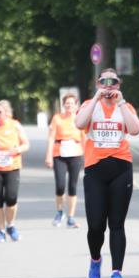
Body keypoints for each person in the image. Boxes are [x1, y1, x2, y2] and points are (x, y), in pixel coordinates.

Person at [75, 68, 139, 278]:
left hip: (121, 168)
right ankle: (96, 259)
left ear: (119, 85)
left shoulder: (126, 107)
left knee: (117, 224)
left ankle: (117, 273)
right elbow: (79, 123)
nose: (109, 86)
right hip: (95, 170)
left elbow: (135, 130)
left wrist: (121, 103)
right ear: (98, 83)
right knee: (95, 225)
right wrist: (96, 96)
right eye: (105, 82)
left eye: (113, 82)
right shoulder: (89, 105)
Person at [0, 100, 29, 242]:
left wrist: (17, 150)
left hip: (12, 166)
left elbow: (26, 144)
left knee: (11, 198)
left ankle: (11, 225)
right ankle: (1, 231)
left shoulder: (15, 125)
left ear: (7, 113)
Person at [45, 93, 85, 228]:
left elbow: (84, 138)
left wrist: (87, 156)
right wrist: (48, 156)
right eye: (67, 103)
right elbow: (51, 138)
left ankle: (71, 217)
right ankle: (59, 212)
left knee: (73, 186)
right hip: (59, 154)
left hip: (75, 153)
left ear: (76, 105)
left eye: (72, 103)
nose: (69, 106)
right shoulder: (57, 118)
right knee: (60, 185)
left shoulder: (80, 119)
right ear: (63, 105)